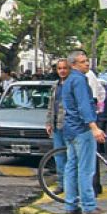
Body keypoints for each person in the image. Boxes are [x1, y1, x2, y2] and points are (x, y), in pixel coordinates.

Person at [62, 50, 107, 214]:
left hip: (70, 128)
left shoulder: (67, 81)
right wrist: (94, 127)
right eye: (82, 62)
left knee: (71, 166)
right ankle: (88, 205)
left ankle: (70, 203)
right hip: (82, 129)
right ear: (74, 64)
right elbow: (84, 106)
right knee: (85, 169)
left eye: (86, 61)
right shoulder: (80, 80)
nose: (86, 64)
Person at [45, 59, 71, 193]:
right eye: (59, 68)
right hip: (56, 126)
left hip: (68, 126)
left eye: (64, 68)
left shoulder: (72, 84)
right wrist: (49, 122)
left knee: (71, 157)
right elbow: (51, 105)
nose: (62, 71)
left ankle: (70, 185)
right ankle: (61, 184)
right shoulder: (55, 85)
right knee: (59, 157)